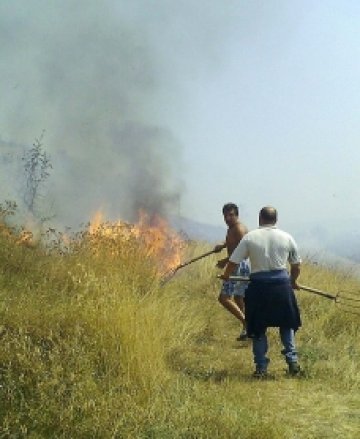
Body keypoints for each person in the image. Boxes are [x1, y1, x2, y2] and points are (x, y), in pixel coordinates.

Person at [220, 206, 302, 378]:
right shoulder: (287, 237)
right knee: (286, 324)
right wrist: (293, 281)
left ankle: (261, 368)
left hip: (259, 287)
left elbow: (234, 260)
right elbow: (296, 265)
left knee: (257, 327)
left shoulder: (250, 237)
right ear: (276, 220)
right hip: (282, 285)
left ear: (260, 219)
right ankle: (293, 362)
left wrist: (226, 275)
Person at [214, 203, 250, 341]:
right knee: (238, 297)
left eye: (231, 215)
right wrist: (222, 245)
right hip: (239, 265)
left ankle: (247, 322)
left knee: (224, 298)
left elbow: (241, 252)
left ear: (237, 215)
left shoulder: (239, 229)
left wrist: (225, 261)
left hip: (238, 266)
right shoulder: (232, 228)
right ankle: (246, 329)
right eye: (225, 215)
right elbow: (232, 243)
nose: (228, 218)